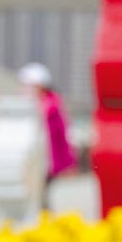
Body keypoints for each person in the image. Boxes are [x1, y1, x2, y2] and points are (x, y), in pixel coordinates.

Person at [18, 63, 77, 209]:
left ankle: (45, 226)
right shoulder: (37, 105)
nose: (26, 90)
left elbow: (61, 137)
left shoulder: (50, 106)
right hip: (35, 159)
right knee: (38, 197)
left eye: (30, 86)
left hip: (46, 161)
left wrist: (68, 163)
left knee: (40, 195)